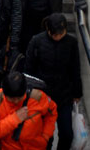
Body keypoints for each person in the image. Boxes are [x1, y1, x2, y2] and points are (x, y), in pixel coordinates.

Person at [25, 13, 82, 150]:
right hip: (43, 96)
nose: (58, 37)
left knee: (67, 134)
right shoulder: (37, 41)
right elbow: (29, 68)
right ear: (48, 31)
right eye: (55, 34)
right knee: (46, 136)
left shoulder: (71, 43)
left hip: (64, 95)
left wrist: (77, 92)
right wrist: (30, 93)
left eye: (61, 34)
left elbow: (75, 68)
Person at [0, 71, 57, 150]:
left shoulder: (38, 96)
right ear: (4, 93)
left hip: (36, 147)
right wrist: (15, 118)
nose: (16, 101)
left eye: (19, 98)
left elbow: (51, 112)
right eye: (11, 99)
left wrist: (46, 135)